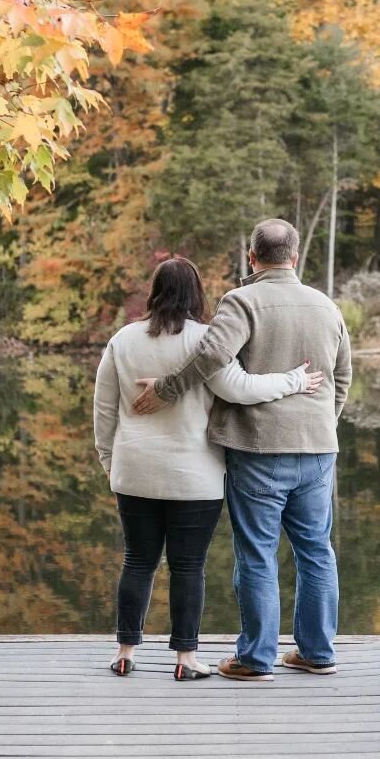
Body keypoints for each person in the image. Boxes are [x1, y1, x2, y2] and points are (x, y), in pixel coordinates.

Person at [132, 219, 352, 681]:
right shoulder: (326, 306)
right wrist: (320, 425)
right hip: (317, 450)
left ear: (252, 258)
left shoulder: (242, 301)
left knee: (257, 553)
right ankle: (317, 652)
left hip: (259, 449)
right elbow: (342, 377)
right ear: (295, 257)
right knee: (316, 550)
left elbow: (212, 357)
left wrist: (168, 390)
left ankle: (255, 659)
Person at [93, 256, 323, 682]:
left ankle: (125, 651)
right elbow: (241, 389)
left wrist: (111, 463)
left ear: (154, 292)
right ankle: (185, 660)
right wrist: (294, 380)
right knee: (187, 567)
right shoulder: (205, 341)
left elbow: (104, 414)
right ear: (197, 294)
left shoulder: (122, 340)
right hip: (194, 478)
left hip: (134, 471)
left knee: (138, 561)